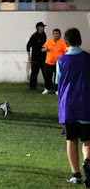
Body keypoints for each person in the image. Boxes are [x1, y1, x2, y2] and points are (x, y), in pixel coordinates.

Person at [55, 28, 90, 187]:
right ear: (81, 42)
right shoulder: (88, 59)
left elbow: (58, 82)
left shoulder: (61, 60)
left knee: (71, 140)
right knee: (87, 141)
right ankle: (87, 163)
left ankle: (76, 174)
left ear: (66, 43)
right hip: (86, 105)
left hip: (68, 106)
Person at [41, 29, 67, 95]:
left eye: (57, 33)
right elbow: (42, 49)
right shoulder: (49, 41)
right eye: (54, 33)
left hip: (58, 63)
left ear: (60, 35)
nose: (56, 35)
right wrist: (45, 49)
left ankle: (57, 89)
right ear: (53, 34)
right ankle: (47, 88)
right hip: (48, 62)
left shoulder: (62, 43)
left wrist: (61, 59)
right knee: (47, 76)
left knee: (57, 77)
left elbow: (66, 53)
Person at [26, 22, 47, 90]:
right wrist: (29, 56)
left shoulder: (44, 35)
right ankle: (33, 86)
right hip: (35, 57)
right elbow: (28, 46)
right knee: (34, 72)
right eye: (42, 27)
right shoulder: (34, 36)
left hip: (43, 57)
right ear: (38, 28)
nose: (43, 28)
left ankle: (47, 86)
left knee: (45, 72)